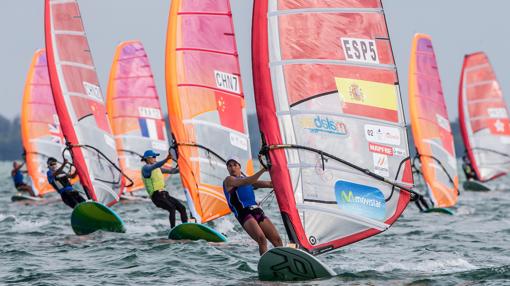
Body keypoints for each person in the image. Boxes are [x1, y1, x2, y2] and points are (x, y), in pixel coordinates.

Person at [223, 158, 283, 255]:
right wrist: (263, 169)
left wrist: (279, 170)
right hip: (244, 213)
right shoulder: (229, 180)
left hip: (257, 211)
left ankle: (284, 261)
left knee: (277, 240)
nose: (232, 168)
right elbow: (247, 181)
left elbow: (270, 184)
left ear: (239, 167)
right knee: (262, 239)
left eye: (235, 165)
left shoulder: (248, 180)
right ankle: (265, 265)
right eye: (229, 166)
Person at [141, 149, 189, 228]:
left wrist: (183, 166)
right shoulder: (146, 168)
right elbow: (155, 165)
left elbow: (172, 171)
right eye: (153, 157)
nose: (155, 158)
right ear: (147, 158)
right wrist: (167, 159)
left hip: (165, 195)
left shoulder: (157, 169)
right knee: (172, 208)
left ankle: (186, 227)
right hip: (156, 196)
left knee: (182, 208)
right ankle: (173, 229)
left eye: (155, 157)